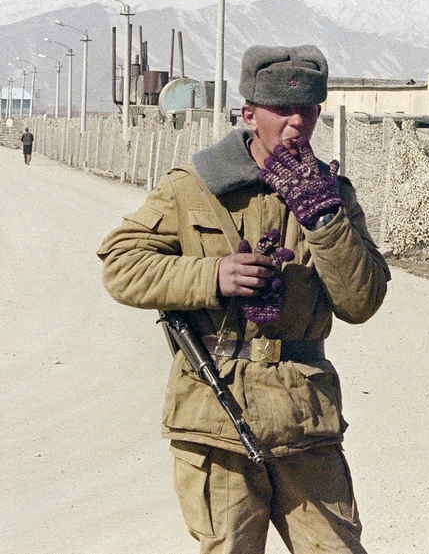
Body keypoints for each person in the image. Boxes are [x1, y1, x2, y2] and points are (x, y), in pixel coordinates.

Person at [98, 44, 390, 554]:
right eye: (281, 109)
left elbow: (361, 302)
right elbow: (121, 264)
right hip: (215, 414)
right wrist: (213, 275)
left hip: (304, 417)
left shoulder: (332, 195)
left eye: (307, 110)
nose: (296, 122)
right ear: (249, 114)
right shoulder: (194, 187)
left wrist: (323, 220)